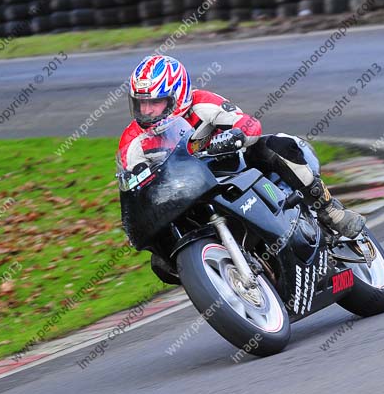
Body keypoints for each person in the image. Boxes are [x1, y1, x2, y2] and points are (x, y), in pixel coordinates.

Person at [117, 55, 365, 281]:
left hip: (232, 169)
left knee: (275, 145)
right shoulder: (132, 141)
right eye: (140, 103)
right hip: (186, 193)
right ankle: (214, 275)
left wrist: (233, 136)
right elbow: (134, 182)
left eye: (155, 103)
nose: (146, 111)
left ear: (177, 96)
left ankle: (329, 210)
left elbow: (248, 124)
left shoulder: (203, 103)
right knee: (160, 263)